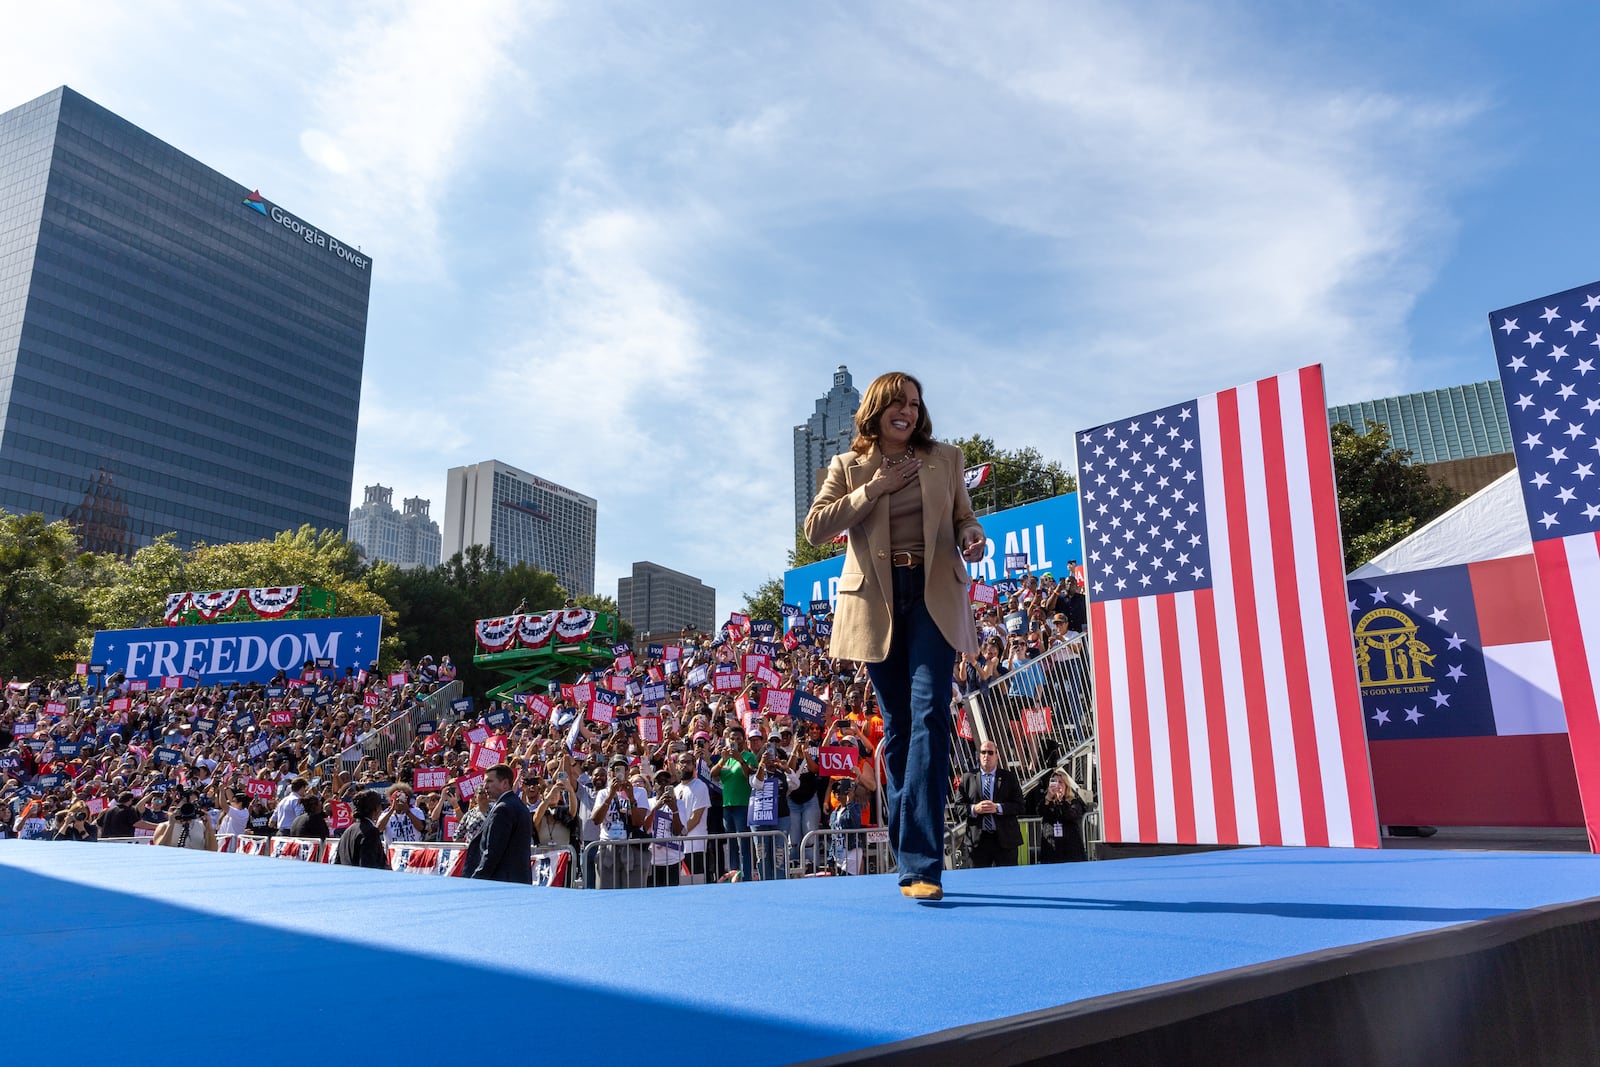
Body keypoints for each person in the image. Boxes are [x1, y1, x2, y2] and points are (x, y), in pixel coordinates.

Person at [804, 370, 985, 902]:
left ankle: (922, 862)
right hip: (877, 604)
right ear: (877, 409)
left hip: (934, 594)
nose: (907, 409)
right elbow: (815, 528)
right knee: (901, 728)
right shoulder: (848, 465)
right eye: (897, 402)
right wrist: (875, 487)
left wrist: (972, 536)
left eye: (914, 402)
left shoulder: (945, 457)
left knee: (931, 714)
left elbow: (963, 519)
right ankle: (913, 847)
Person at [952, 742, 1025, 867]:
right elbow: (958, 808)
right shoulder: (968, 778)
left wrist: (998, 808)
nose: (987, 756)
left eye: (990, 752)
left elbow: (1020, 806)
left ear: (997, 756)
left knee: (1007, 881)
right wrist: (974, 809)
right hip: (978, 842)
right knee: (977, 882)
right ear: (979, 756)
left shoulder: (1009, 777)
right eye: (983, 752)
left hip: (1004, 840)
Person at [468, 764, 533, 883]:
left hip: (502, 883)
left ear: (505, 783)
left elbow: (493, 852)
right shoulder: (518, 805)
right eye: (484, 782)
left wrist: (476, 880)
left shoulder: (503, 809)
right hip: (518, 881)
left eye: (490, 781)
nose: (485, 786)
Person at [1038, 768, 1089, 864]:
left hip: (1070, 847)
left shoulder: (1074, 802)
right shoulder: (1047, 801)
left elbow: (1071, 815)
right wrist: (1048, 798)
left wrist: (1062, 801)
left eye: (1060, 782)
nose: (1057, 785)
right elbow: (1040, 811)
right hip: (1051, 847)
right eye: (1054, 782)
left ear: (1066, 786)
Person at [333, 790, 388, 869]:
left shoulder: (348, 830)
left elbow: (337, 861)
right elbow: (369, 866)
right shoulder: (371, 831)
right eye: (380, 806)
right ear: (376, 808)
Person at [153, 800, 217, 851]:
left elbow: (213, 850)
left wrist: (209, 827)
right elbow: (160, 849)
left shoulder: (202, 826)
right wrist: (171, 824)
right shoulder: (164, 826)